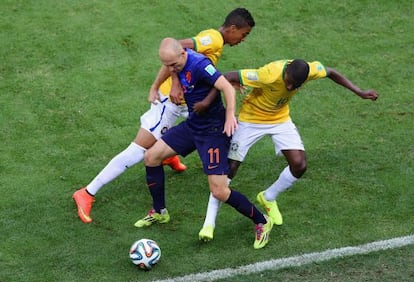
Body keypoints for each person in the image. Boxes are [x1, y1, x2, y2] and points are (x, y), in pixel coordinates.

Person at [72, 8, 255, 224]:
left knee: (200, 126)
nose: (242, 39)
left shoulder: (213, 42)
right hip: (171, 101)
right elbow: (177, 49)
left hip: (189, 100)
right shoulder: (213, 39)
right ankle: (87, 192)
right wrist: (169, 84)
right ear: (232, 29)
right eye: (243, 34)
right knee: (139, 149)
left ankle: (168, 154)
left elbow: (197, 67)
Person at [198, 59, 379, 241]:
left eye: (296, 85)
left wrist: (360, 92)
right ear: (286, 72)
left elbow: (331, 72)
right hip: (251, 119)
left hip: (279, 119)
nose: (291, 87)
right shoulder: (268, 74)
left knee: (299, 165)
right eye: (288, 82)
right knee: (229, 170)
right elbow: (227, 76)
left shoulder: (310, 70)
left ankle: (268, 197)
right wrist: (207, 101)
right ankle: (209, 223)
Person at [137, 37, 273, 249]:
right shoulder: (175, 62)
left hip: (213, 132)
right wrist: (155, 87)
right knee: (151, 157)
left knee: (219, 191)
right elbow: (169, 68)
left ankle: (262, 221)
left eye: (174, 65)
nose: (171, 69)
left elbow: (226, 87)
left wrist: (229, 116)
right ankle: (160, 212)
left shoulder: (200, 64)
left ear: (183, 53)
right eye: (167, 65)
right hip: (194, 125)